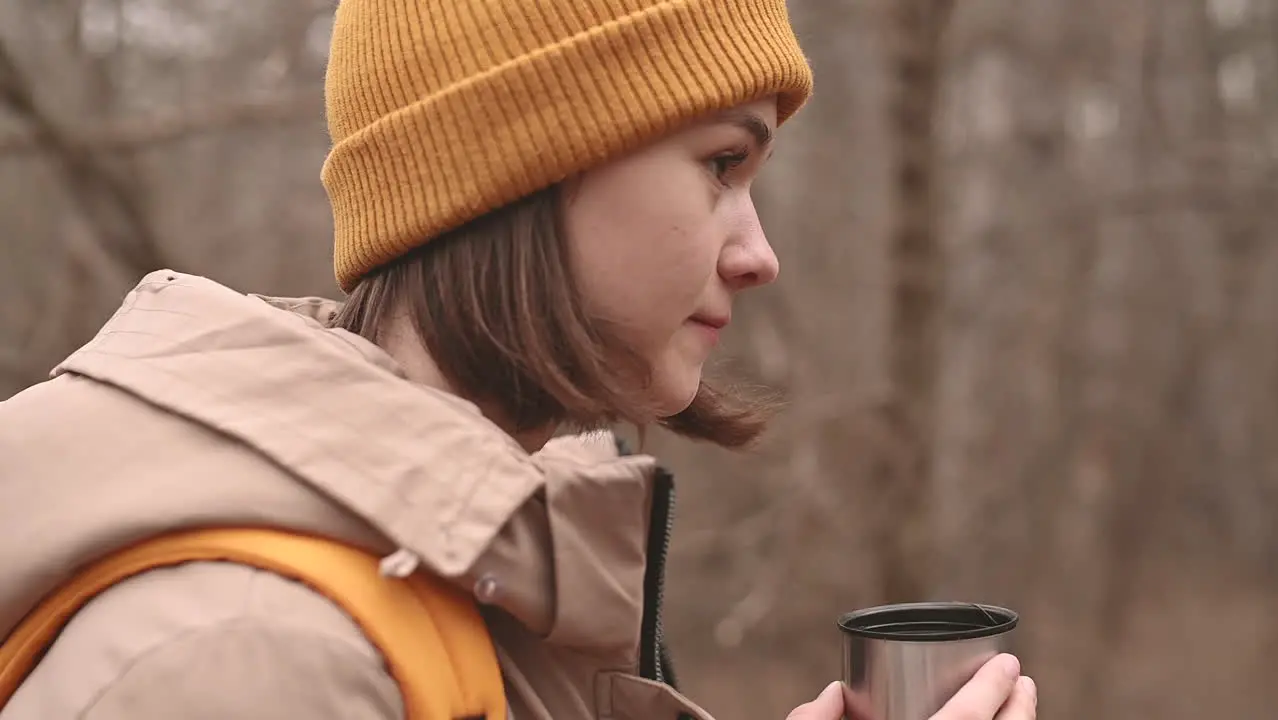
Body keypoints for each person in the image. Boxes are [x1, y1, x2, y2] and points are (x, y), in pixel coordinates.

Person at [0, 1, 1036, 718]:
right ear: (520, 166)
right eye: (721, 164)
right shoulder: (255, 661)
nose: (758, 254)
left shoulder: (471, 582)